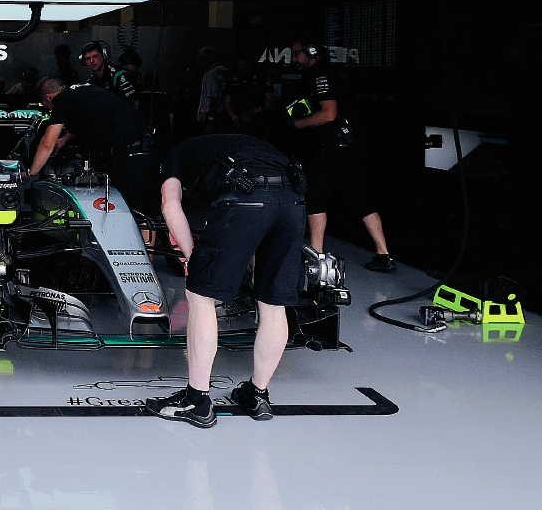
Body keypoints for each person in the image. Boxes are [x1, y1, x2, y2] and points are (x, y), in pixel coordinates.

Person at [145, 134, 307, 428]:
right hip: (293, 202)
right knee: (273, 303)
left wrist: (193, 258)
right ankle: (256, 394)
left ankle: (197, 401)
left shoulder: (175, 151)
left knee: (201, 297)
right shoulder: (243, 143)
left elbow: (170, 205)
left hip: (246, 198)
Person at [289, 40, 396, 272]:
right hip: (353, 144)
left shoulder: (320, 75)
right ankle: (384, 255)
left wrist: (299, 123)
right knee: (359, 199)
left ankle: (316, 257)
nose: (294, 59)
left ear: (311, 52)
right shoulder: (329, 73)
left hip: (338, 145)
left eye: (297, 54)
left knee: (314, 196)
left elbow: (328, 114)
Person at [29, 78, 160, 218]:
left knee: (132, 211)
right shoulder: (82, 90)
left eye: (47, 106)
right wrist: (63, 141)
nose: (50, 109)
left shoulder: (62, 99)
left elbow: (47, 144)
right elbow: (86, 121)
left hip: (134, 150)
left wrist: (32, 174)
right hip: (150, 144)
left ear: (49, 97)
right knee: (147, 212)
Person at [222, 52, 273, 133]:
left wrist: (253, 112)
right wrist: (232, 115)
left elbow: (270, 100)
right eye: (240, 63)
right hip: (236, 116)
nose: (243, 67)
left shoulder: (262, 75)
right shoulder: (229, 75)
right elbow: (226, 99)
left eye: (246, 63)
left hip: (258, 117)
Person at [81, 40, 139, 107]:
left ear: (104, 55)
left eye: (95, 56)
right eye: (88, 58)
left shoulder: (119, 76)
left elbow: (133, 105)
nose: (92, 61)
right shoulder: (91, 80)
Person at [196, 46, 229, 123]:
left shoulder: (211, 74)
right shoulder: (224, 71)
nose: (199, 63)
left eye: (201, 59)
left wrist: (210, 119)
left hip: (211, 113)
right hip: (222, 111)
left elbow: (214, 97)